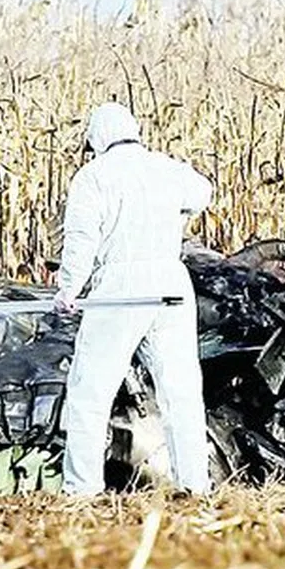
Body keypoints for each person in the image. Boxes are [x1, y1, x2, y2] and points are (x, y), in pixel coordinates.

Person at [54, 101, 214, 497]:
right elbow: (203, 192)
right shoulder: (167, 168)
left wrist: (69, 290)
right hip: (171, 285)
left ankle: (82, 490)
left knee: (91, 391)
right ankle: (195, 486)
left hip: (120, 287)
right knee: (181, 391)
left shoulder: (92, 177)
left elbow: (81, 241)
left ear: (97, 139)